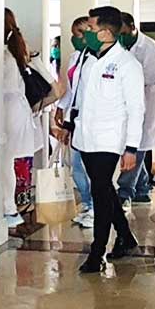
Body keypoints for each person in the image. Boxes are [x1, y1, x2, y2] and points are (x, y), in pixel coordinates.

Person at [73, 6, 144, 273]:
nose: (86, 33)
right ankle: (125, 236)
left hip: (110, 139)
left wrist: (131, 148)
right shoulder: (88, 59)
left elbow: (136, 109)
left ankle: (97, 253)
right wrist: (70, 122)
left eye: (90, 28)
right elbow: (80, 95)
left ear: (104, 32)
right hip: (86, 135)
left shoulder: (127, 64)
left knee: (100, 190)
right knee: (103, 189)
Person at [116, 12, 155, 211]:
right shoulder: (120, 46)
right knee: (137, 145)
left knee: (137, 146)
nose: (121, 37)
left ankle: (125, 191)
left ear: (133, 27)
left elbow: (149, 78)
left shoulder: (150, 48)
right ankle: (143, 188)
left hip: (143, 103)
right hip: (124, 104)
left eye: (124, 32)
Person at [0, 8, 41, 228]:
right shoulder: (15, 50)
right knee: (7, 161)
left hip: (7, 110)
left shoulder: (3, 55)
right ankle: (9, 207)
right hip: (16, 110)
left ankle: (9, 208)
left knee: (5, 162)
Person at [56, 16, 94, 228]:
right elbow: (72, 89)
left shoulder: (97, 59)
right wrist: (62, 108)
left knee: (90, 167)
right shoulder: (75, 58)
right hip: (75, 117)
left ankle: (96, 208)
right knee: (76, 166)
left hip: (89, 120)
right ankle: (87, 203)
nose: (75, 38)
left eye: (79, 34)